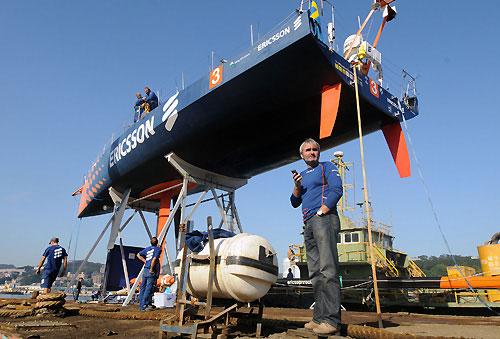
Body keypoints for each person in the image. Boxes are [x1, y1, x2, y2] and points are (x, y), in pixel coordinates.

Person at [290, 138, 343, 335]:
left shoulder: (327, 167)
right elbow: (295, 202)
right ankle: (319, 317)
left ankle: (331, 320)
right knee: (315, 273)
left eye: (315, 149)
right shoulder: (302, 176)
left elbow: (337, 189)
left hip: (323, 219)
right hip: (308, 224)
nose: (312, 152)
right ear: (302, 155)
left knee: (328, 269)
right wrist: (296, 186)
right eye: (308, 150)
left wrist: (323, 211)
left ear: (318, 153)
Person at [137, 237, 162, 311]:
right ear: (157, 243)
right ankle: (145, 305)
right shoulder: (158, 250)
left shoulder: (147, 249)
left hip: (145, 269)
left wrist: (145, 261)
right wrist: (151, 268)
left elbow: (138, 255)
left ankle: (142, 304)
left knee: (143, 288)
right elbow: (154, 259)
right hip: (151, 270)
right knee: (149, 288)